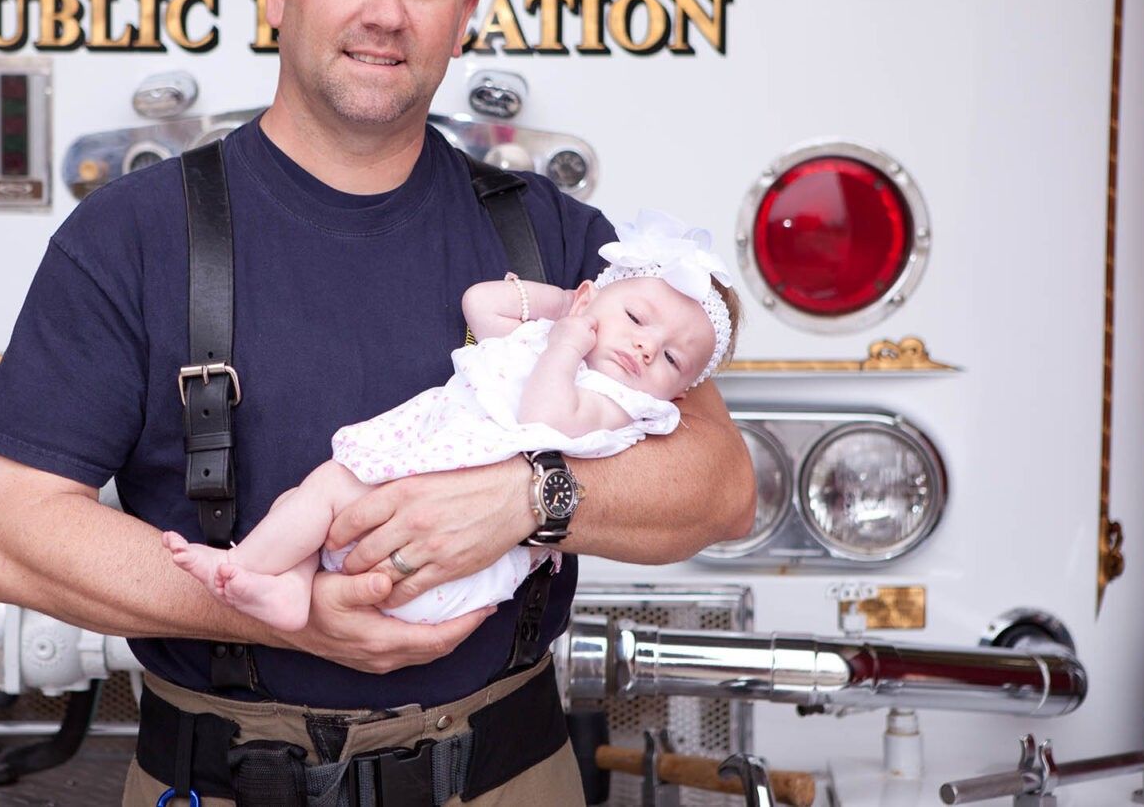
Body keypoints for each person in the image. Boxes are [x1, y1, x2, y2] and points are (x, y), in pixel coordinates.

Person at [0, 0, 755, 807]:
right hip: (217, 782)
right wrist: (284, 616)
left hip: (508, 777)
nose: (385, 13)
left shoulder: (559, 237)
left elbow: (721, 485)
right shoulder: (129, 236)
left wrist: (528, 497)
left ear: (462, 17)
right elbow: (7, 531)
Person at [164, 210, 742, 631]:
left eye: (670, 358)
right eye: (637, 317)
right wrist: (569, 305)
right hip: (410, 512)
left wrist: (568, 344)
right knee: (308, 501)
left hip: (450, 568)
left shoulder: (618, 404)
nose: (645, 348)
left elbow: (543, 423)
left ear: (682, 388)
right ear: (591, 300)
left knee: (330, 489)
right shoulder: (548, 334)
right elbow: (479, 303)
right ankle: (287, 589)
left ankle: (238, 564)